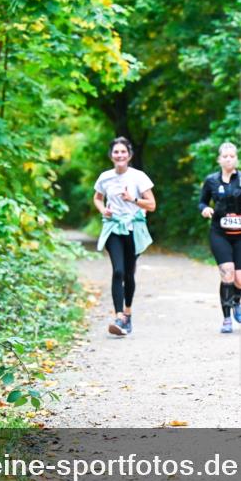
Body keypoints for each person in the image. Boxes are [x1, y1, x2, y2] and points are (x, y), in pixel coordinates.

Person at [94, 137, 156, 336]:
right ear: (111, 155)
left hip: (134, 228)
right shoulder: (105, 177)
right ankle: (119, 316)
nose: (119, 155)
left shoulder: (139, 177)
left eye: (123, 152)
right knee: (118, 271)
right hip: (113, 228)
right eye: (116, 152)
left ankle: (128, 314)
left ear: (129, 155)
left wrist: (133, 199)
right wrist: (104, 210)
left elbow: (152, 205)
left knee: (129, 273)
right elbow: (97, 198)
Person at [198, 141, 241, 333]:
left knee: (240, 281)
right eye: (225, 156)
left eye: (232, 156)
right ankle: (226, 319)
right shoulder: (211, 181)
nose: (228, 159)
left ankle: (236, 301)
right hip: (220, 234)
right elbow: (201, 202)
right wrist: (206, 209)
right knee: (227, 274)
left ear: (236, 158)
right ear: (219, 159)